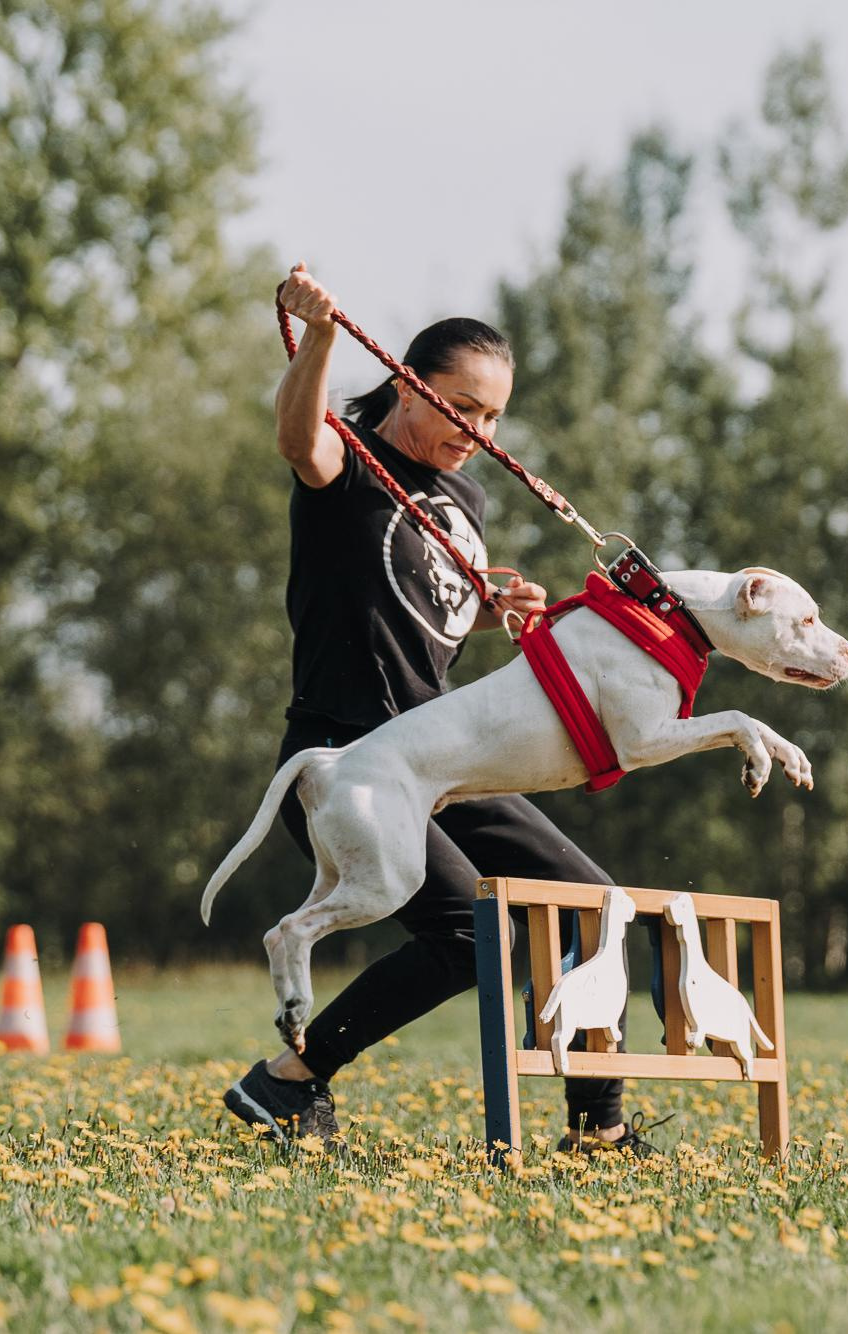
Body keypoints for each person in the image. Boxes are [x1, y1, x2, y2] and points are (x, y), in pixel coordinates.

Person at [223, 265, 653, 1154]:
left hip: (445, 754)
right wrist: (319, 337)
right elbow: (297, 439)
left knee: (591, 904)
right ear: (408, 383)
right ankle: (289, 1081)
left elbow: (420, 615)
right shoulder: (348, 462)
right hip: (346, 757)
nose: (478, 433)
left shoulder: (468, 497)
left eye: (493, 417)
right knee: (470, 936)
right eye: (462, 408)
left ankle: (598, 1130)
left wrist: (496, 610)